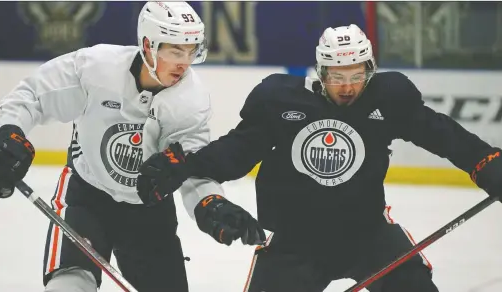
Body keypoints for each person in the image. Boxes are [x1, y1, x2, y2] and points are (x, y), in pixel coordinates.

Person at [136, 24, 502, 292]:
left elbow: (442, 134)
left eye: (357, 76)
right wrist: (185, 165)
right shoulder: (281, 102)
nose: (347, 87)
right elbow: (237, 151)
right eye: (337, 77)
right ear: (320, 72)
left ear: (370, 70)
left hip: (369, 234)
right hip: (296, 244)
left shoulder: (388, 98)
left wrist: (486, 162)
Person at [0, 1, 265, 292]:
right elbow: (31, 97)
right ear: (147, 44)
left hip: (149, 210)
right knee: (69, 285)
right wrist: (9, 131)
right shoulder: (96, 69)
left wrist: (210, 202)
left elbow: (189, 165)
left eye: (191, 51)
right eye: (175, 50)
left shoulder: (191, 101)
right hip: (86, 197)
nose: (184, 62)